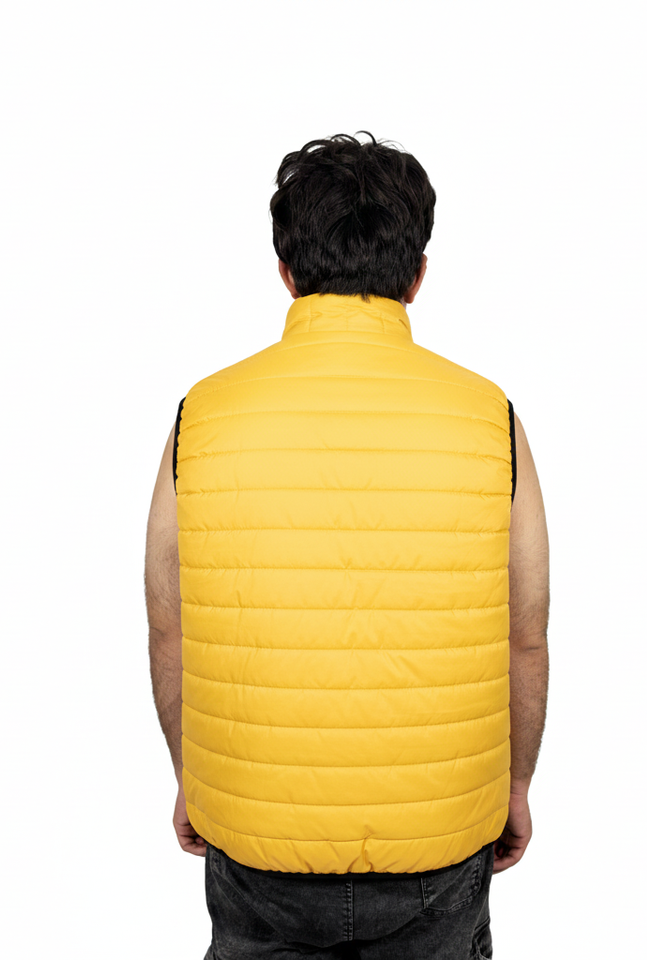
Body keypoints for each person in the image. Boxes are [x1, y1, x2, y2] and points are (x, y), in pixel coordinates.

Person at [145, 132, 550, 959]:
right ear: (417, 275)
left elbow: (168, 623)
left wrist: (194, 777)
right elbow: (526, 632)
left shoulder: (203, 414)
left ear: (287, 272)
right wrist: (514, 785)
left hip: (253, 837)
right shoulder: (490, 417)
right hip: (441, 838)